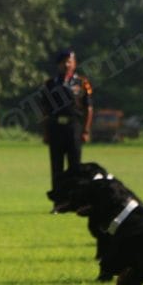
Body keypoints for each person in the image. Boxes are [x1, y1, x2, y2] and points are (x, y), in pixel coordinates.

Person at [42, 49, 93, 202]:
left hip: (74, 128)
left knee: (75, 167)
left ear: (75, 63)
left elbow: (88, 108)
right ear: (58, 64)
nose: (67, 64)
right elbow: (44, 110)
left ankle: (75, 201)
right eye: (64, 62)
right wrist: (45, 132)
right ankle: (58, 202)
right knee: (57, 167)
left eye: (70, 61)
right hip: (56, 128)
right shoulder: (50, 84)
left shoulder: (82, 83)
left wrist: (85, 130)